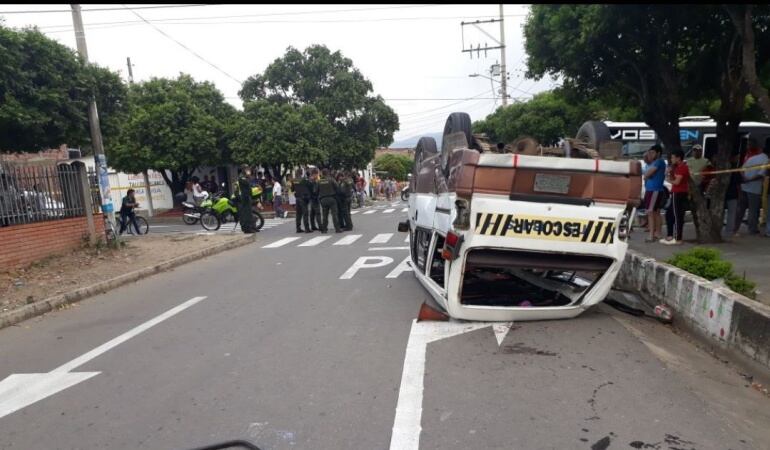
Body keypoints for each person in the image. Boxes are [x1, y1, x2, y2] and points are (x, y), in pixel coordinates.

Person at [734, 139, 768, 236]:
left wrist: (745, 179)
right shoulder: (765, 160)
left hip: (744, 186)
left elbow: (741, 169)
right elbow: (761, 175)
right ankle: (752, 229)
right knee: (753, 210)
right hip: (754, 189)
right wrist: (750, 180)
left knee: (740, 209)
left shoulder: (751, 158)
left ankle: (735, 228)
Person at [660, 150, 690, 245]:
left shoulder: (683, 168)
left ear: (678, 158)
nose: (671, 159)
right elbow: (674, 178)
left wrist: (667, 179)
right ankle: (670, 235)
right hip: (676, 192)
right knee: (669, 214)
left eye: (673, 157)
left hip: (679, 193)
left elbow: (677, 182)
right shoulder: (677, 168)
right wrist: (669, 173)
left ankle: (678, 238)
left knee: (677, 216)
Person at [642, 145, 667, 242]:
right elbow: (647, 172)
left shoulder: (659, 162)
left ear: (658, 153)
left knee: (650, 212)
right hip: (653, 190)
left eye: (652, 152)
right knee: (656, 212)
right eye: (650, 152)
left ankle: (651, 236)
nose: (650, 155)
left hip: (654, 190)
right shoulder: (654, 162)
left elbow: (647, 174)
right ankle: (658, 233)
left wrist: (647, 175)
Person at [317, 168, 342, 233]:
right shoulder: (331, 179)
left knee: (325, 215)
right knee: (334, 214)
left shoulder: (319, 181)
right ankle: (337, 229)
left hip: (323, 199)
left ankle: (324, 229)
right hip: (332, 199)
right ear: (328, 173)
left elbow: (315, 190)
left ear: (322, 173)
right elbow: (337, 187)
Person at [724, 154, 743, 235]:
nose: (737, 159)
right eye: (736, 157)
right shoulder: (735, 169)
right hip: (732, 192)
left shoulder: (723, 167)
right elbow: (738, 183)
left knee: (726, 212)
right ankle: (729, 230)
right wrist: (740, 193)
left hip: (724, 192)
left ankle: (727, 229)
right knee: (732, 212)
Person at [237, 169, 258, 233]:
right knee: (247, 213)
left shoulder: (245, 176)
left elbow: (249, 184)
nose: (248, 170)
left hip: (247, 196)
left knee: (250, 213)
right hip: (244, 197)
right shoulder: (241, 177)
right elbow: (246, 183)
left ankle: (253, 227)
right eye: (247, 169)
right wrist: (248, 176)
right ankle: (248, 229)